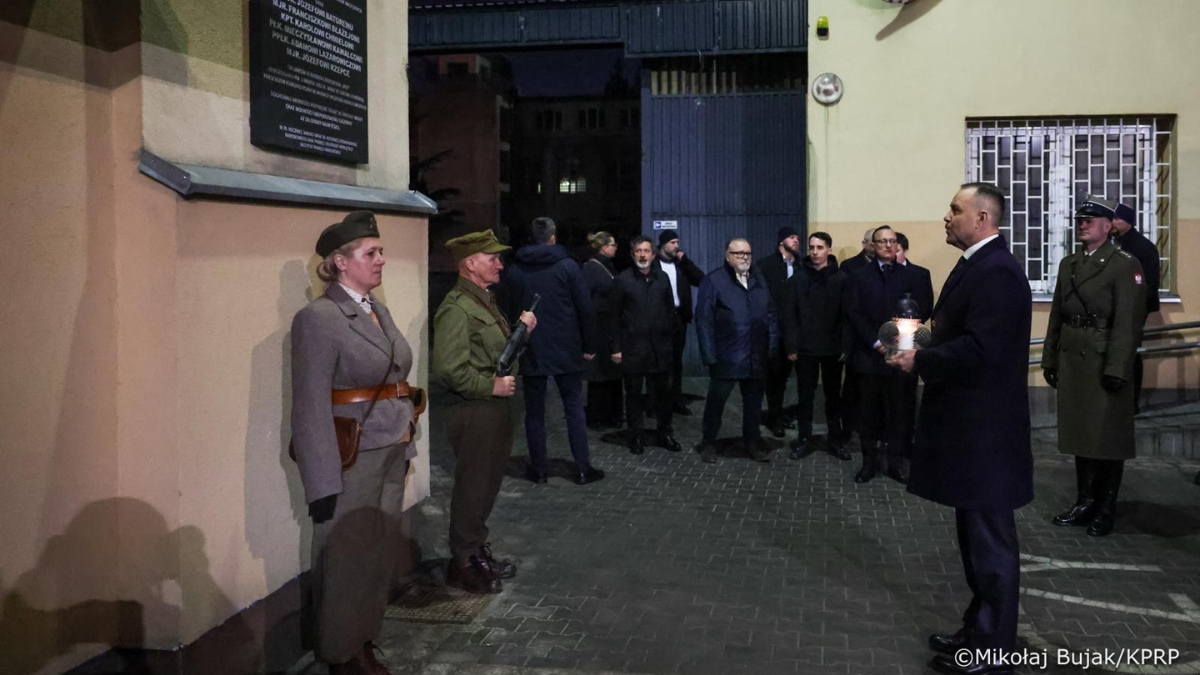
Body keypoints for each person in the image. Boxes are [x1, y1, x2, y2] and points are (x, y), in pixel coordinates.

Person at [888, 183, 1033, 674]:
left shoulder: (997, 272)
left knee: (991, 545)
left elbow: (982, 349)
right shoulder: (976, 264)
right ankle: (978, 631)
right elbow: (956, 330)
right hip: (970, 430)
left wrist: (921, 359)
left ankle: (994, 651)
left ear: (982, 219)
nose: (947, 217)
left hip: (986, 434)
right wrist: (914, 341)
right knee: (975, 543)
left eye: (955, 209)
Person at [291, 210, 416, 675]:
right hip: (352, 457)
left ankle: (364, 638)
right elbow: (309, 404)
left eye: (380, 251)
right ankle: (341, 654)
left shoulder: (376, 309)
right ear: (340, 262)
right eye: (370, 253)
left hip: (392, 448)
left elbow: (396, 374)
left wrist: (408, 438)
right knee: (345, 557)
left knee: (377, 553)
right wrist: (321, 481)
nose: (381, 259)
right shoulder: (318, 318)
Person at [433, 229, 536, 594]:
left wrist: (522, 333)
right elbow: (447, 369)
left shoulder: (483, 302)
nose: (500, 264)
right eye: (492, 258)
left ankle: (475, 551)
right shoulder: (457, 308)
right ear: (470, 264)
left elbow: (496, 355)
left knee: (486, 485)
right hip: (473, 409)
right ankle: (463, 562)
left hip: (491, 410)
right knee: (473, 487)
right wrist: (489, 386)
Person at [1042, 196, 1145, 537]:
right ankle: (1085, 501)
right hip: (1074, 358)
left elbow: (1128, 322)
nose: (1083, 225)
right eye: (1080, 220)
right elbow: (1057, 315)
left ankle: (1105, 508)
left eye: (1090, 220)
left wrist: (1117, 368)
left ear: (1107, 226)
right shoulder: (1069, 264)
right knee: (1081, 435)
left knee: (1107, 438)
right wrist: (1050, 357)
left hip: (1103, 361)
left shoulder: (1123, 264)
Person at [504, 217, 605, 486]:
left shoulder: (515, 268)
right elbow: (585, 308)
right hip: (566, 346)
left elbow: (508, 307)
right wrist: (589, 345)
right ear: (552, 238)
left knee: (534, 411)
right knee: (573, 408)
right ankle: (582, 468)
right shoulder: (568, 266)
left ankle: (539, 470)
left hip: (531, 346)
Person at [843, 225, 932, 483]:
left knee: (900, 414)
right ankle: (868, 464)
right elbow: (853, 312)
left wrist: (901, 338)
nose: (888, 245)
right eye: (882, 241)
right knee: (868, 415)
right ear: (873, 245)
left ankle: (896, 463)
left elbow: (923, 308)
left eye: (892, 241)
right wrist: (876, 341)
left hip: (902, 357)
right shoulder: (858, 276)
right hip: (869, 357)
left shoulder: (914, 275)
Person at [694, 238, 778, 464]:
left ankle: (752, 442)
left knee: (753, 405)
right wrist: (709, 355)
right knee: (716, 403)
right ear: (727, 256)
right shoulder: (714, 281)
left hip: (756, 355)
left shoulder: (759, 279)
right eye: (738, 253)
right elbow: (703, 320)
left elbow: (770, 313)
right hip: (726, 356)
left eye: (747, 253)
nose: (744, 257)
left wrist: (771, 345)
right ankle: (708, 442)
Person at [611, 236, 682, 455]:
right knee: (633, 395)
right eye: (638, 251)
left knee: (664, 395)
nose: (642, 255)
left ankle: (665, 433)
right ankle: (636, 436)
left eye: (646, 251)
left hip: (660, 348)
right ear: (632, 254)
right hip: (633, 348)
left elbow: (670, 309)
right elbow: (614, 317)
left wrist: (668, 336)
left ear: (653, 254)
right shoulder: (622, 281)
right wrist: (616, 348)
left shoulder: (662, 278)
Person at [784, 232, 850, 461]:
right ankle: (804, 439)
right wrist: (791, 346)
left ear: (829, 250)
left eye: (820, 247)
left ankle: (835, 441)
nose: (814, 252)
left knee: (833, 398)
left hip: (833, 349)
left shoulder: (841, 279)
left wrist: (845, 346)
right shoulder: (798, 279)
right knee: (805, 398)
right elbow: (789, 315)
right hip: (805, 349)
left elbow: (847, 316)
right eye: (811, 247)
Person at [1112, 202, 1160, 412]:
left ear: (1128, 222)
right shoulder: (1117, 243)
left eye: (1116, 219)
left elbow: (1147, 284)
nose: (1112, 223)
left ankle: (1131, 402)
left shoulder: (1140, 247)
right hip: (1122, 307)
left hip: (1133, 309)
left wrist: (1135, 308)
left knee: (1131, 353)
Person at [757, 226, 803, 437]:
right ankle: (774, 417)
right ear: (781, 241)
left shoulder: (801, 265)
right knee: (774, 377)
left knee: (790, 377)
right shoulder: (766, 265)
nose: (796, 241)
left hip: (796, 330)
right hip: (775, 330)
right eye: (791, 237)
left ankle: (783, 415)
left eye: (797, 238)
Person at [654, 231, 706, 414]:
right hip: (660, 318)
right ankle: (657, 402)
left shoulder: (680, 265)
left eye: (677, 242)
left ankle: (676, 400)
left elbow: (701, 280)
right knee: (659, 362)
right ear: (663, 244)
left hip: (679, 318)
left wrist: (685, 261)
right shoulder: (654, 264)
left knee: (676, 362)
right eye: (673, 242)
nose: (677, 245)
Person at [582, 231, 624, 429]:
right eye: (613, 244)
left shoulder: (606, 267)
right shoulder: (592, 269)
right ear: (604, 247)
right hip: (598, 327)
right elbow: (587, 301)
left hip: (608, 326)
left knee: (610, 372)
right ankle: (597, 416)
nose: (616, 248)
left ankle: (611, 414)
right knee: (599, 374)